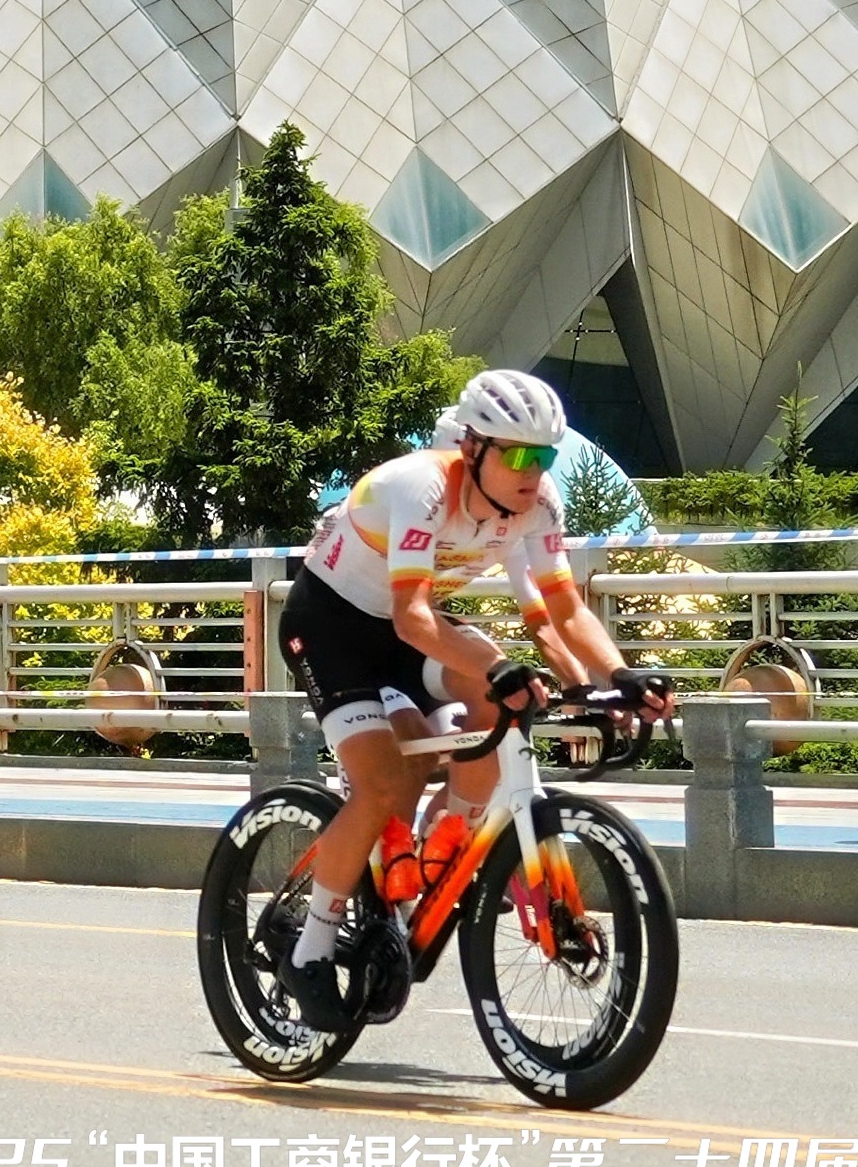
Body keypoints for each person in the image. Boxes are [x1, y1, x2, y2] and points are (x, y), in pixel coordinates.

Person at [272, 370, 671, 1029]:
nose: (532, 472)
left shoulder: (539, 506)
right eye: (518, 456)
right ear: (473, 448)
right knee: (382, 782)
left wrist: (622, 674)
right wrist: (499, 666)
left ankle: (442, 846)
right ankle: (310, 950)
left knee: (502, 705)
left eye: (544, 457)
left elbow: (565, 610)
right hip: (333, 628)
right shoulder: (422, 488)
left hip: (409, 630)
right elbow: (412, 617)